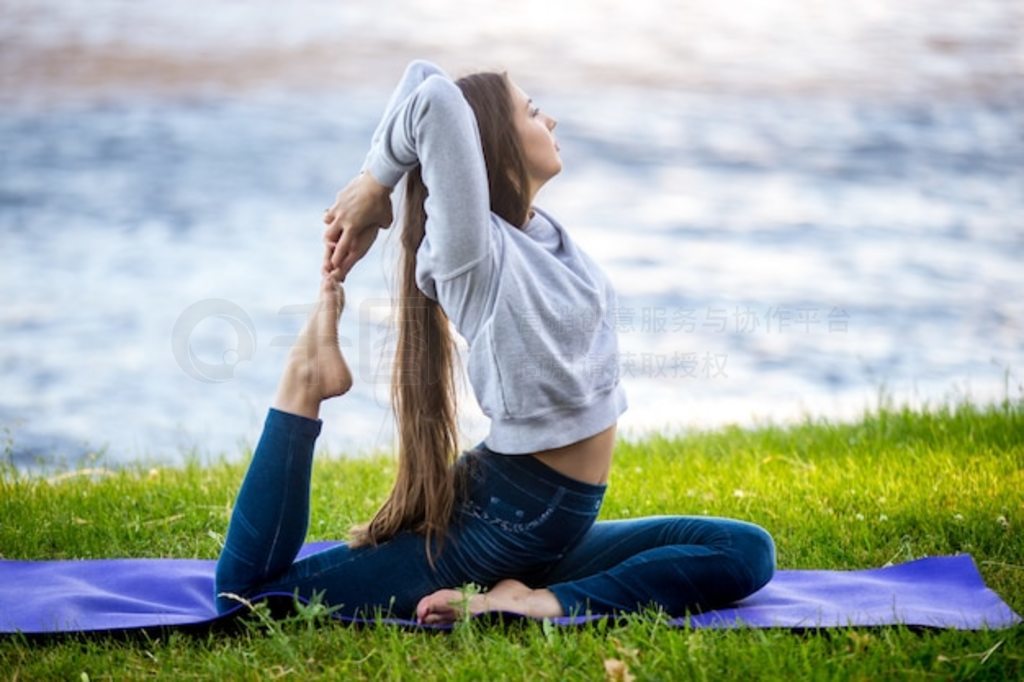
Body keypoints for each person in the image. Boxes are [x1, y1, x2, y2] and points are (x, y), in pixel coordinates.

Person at [214, 59, 775, 626]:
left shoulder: (534, 232)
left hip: (548, 526)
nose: (550, 119)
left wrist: (374, 186)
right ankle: (303, 381)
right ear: (493, 146)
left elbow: (420, 75)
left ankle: (534, 596)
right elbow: (434, 99)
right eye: (532, 111)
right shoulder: (469, 254)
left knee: (746, 551)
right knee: (248, 598)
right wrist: (374, 184)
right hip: (505, 524)